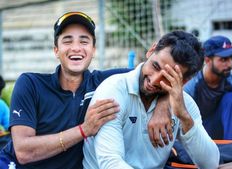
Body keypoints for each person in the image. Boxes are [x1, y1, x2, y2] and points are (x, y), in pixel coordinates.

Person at [0, 11, 131, 169]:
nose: (76, 48)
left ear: (93, 50)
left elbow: (149, 73)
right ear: (56, 50)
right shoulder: (30, 84)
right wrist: (84, 130)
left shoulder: (104, 81)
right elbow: (23, 152)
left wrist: (164, 104)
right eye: (67, 41)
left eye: (84, 41)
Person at [83, 31, 220, 169]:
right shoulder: (113, 90)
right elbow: (110, 163)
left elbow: (211, 164)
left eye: (167, 77)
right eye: (155, 66)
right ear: (151, 50)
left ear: (183, 81)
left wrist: (184, 117)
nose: (154, 80)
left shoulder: (184, 104)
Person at [184, 35, 232, 139]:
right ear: (207, 60)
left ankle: (231, 149)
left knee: (230, 99)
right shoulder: (192, 84)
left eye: (231, 58)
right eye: (224, 59)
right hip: (198, 134)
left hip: (225, 132)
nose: (229, 64)